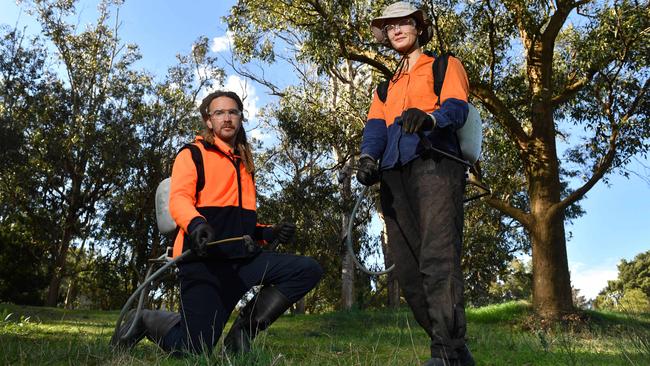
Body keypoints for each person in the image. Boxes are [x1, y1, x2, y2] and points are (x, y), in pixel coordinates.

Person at [112, 90, 323, 356]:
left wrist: (269, 232)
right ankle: (144, 318)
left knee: (306, 269)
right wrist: (196, 224)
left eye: (232, 112)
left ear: (240, 118)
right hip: (204, 263)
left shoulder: (244, 163)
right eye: (219, 112)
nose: (227, 118)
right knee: (192, 351)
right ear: (208, 120)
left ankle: (239, 338)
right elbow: (178, 200)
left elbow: (241, 223)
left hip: (243, 261)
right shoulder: (192, 154)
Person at [357, 2, 474, 366]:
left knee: (438, 259)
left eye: (404, 23)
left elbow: (457, 107)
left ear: (419, 28)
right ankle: (456, 353)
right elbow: (375, 128)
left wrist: (429, 119)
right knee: (408, 271)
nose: (396, 30)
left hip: (435, 165)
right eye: (390, 27)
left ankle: (444, 353)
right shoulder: (384, 88)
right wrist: (367, 158)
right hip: (393, 175)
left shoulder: (443, 65)